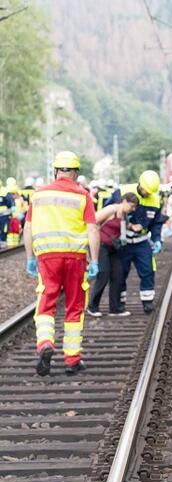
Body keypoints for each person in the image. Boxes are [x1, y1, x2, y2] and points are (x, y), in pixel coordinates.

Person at [23, 151, 100, 376]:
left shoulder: (38, 195)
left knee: (46, 303)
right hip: (75, 258)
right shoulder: (82, 195)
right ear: (75, 172)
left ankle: (45, 343)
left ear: (56, 171)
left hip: (47, 257)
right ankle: (72, 360)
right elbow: (92, 229)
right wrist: (94, 260)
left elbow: (28, 228)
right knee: (74, 306)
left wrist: (30, 257)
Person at [108, 170, 165, 314]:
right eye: (145, 191)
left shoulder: (156, 200)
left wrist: (157, 239)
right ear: (140, 184)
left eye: (149, 193)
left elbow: (157, 223)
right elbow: (109, 212)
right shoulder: (122, 192)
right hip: (123, 242)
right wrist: (128, 225)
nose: (147, 194)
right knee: (120, 273)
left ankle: (148, 302)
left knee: (148, 271)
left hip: (142, 242)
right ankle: (119, 303)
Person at [87, 192, 139, 317]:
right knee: (103, 274)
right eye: (132, 206)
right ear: (124, 201)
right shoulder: (111, 209)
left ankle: (115, 308)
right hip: (102, 246)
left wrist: (132, 227)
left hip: (114, 248)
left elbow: (122, 227)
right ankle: (92, 306)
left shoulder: (124, 215)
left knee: (118, 275)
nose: (133, 209)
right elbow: (92, 222)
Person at [0, 178, 15, 248]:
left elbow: (11, 205)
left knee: (4, 229)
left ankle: (3, 242)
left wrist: (8, 213)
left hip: (4, 216)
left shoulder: (5, 192)